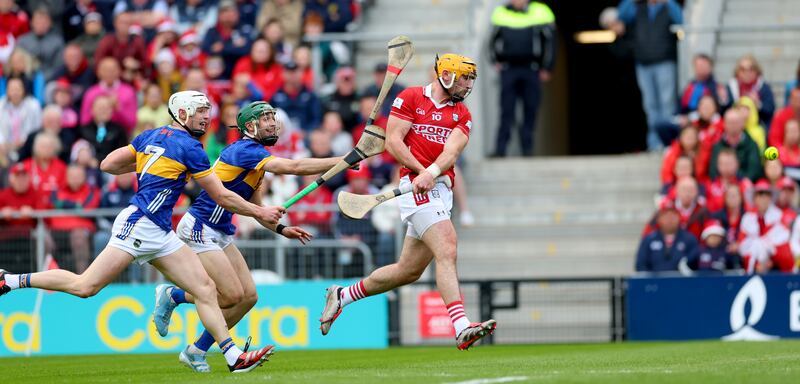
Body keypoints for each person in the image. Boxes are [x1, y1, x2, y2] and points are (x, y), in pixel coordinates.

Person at [0, 91, 284, 373]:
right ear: (182, 114)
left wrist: (149, 164)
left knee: (205, 288)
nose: (206, 116)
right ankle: (11, 281)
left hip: (160, 230)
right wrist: (260, 211)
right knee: (85, 286)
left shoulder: (150, 136)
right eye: (200, 111)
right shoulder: (191, 148)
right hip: (140, 222)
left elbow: (108, 164)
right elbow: (222, 196)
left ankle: (232, 356)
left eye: (207, 110)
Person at [319, 54, 496, 350]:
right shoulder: (411, 97)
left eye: (470, 79)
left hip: (439, 187)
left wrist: (432, 172)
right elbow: (394, 141)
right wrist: (419, 171)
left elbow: (452, 152)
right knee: (448, 248)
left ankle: (343, 295)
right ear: (448, 75)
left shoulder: (462, 113)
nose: (468, 85)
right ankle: (462, 326)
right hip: (416, 189)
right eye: (464, 78)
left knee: (407, 271)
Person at [152, 101, 346, 372]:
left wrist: (281, 229)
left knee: (249, 297)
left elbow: (258, 209)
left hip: (220, 232)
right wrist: (342, 161)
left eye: (272, 117)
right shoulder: (245, 150)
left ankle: (196, 350)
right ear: (250, 127)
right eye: (265, 118)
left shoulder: (258, 163)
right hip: (199, 226)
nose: (272, 122)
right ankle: (174, 296)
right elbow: (295, 166)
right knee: (230, 295)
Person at [490, 0, 556, 157]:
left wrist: (548, 67)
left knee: (530, 109)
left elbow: (551, 42)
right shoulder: (501, 12)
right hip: (509, 69)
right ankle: (501, 149)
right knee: (507, 110)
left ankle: (527, 149)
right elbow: (492, 41)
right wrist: (495, 61)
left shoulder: (542, 11)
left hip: (531, 69)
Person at [618, 0, 683, 151]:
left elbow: (681, 19)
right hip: (643, 63)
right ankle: (654, 143)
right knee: (650, 105)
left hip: (665, 61)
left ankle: (669, 142)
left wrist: (668, 2)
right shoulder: (637, 8)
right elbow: (621, 15)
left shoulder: (668, 7)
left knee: (667, 103)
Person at [739, 180, 794, 274]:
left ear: (770, 198)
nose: (763, 198)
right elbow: (743, 245)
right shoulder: (747, 218)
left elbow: (783, 246)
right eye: (760, 194)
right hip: (752, 264)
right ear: (754, 198)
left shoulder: (779, 216)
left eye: (767, 194)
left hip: (775, 267)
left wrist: (769, 259)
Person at [636, 201, 700, 272]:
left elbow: (695, 263)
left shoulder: (690, 239)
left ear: (679, 218)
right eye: (666, 216)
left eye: (673, 216)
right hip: (654, 281)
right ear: (659, 219)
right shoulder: (649, 239)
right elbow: (640, 264)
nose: (670, 219)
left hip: (682, 281)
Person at [720, 54, 775, 128]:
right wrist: (724, 101)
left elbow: (770, 111)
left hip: (757, 129)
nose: (747, 73)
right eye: (743, 69)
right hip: (734, 129)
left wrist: (758, 104)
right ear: (737, 72)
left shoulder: (764, 87)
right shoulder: (731, 87)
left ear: (757, 71)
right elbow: (722, 113)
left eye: (751, 69)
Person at [708, 109, 762, 182]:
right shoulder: (718, 145)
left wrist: (740, 180)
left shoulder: (751, 144)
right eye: (730, 122)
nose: (733, 125)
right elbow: (713, 172)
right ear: (724, 124)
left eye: (736, 122)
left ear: (743, 123)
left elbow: (754, 171)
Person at [16, 7, 63, 81]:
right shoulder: (22, 41)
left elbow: (58, 67)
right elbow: (17, 63)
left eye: (44, 22)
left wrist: (42, 78)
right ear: (32, 22)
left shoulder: (57, 42)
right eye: (38, 21)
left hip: (50, 80)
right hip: (25, 78)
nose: (41, 25)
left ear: (50, 24)